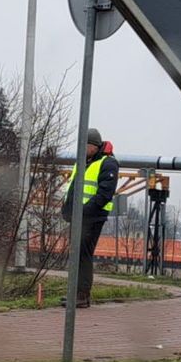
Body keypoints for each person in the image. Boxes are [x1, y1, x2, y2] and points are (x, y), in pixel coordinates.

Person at [61, 128, 119, 308]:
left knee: (83, 255)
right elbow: (73, 188)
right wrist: (67, 209)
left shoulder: (108, 163)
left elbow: (104, 195)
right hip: (79, 217)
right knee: (76, 254)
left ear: (94, 146)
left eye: (84, 145)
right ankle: (75, 293)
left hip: (92, 218)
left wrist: (83, 211)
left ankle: (82, 295)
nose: (82, 148)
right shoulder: (83, 161)